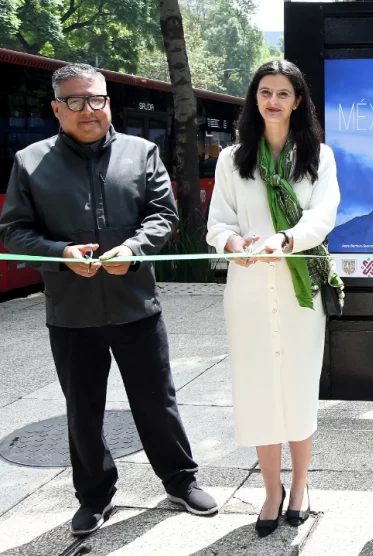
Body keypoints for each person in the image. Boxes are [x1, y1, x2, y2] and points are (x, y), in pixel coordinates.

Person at [0, 63, 217, 536]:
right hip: (71, 311)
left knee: (156, 400)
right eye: (74, 101)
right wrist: (60, 254)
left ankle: (180, 480)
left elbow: (163, 214)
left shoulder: (141, 153)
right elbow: (13, 231)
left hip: (136, 303)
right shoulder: (30, 161)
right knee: (83, 408)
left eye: (96, 99)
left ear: (108, 103)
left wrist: (135, 250)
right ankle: (95, 495)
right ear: (57, 109)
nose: (88, 109)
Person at [205, 60, 341, 538]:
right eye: (265, 92)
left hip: (298, 287)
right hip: (247, 291)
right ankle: (270, 489)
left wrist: (284, 241)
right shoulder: (232, 159)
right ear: (254, 99)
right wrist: (234, 244)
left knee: (299, 387)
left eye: (284, 93)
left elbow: (322, 218)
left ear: (298, 100)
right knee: (258, 390)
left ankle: (300, 485)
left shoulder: (319, 157)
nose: (273, 101)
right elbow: (217, 223)